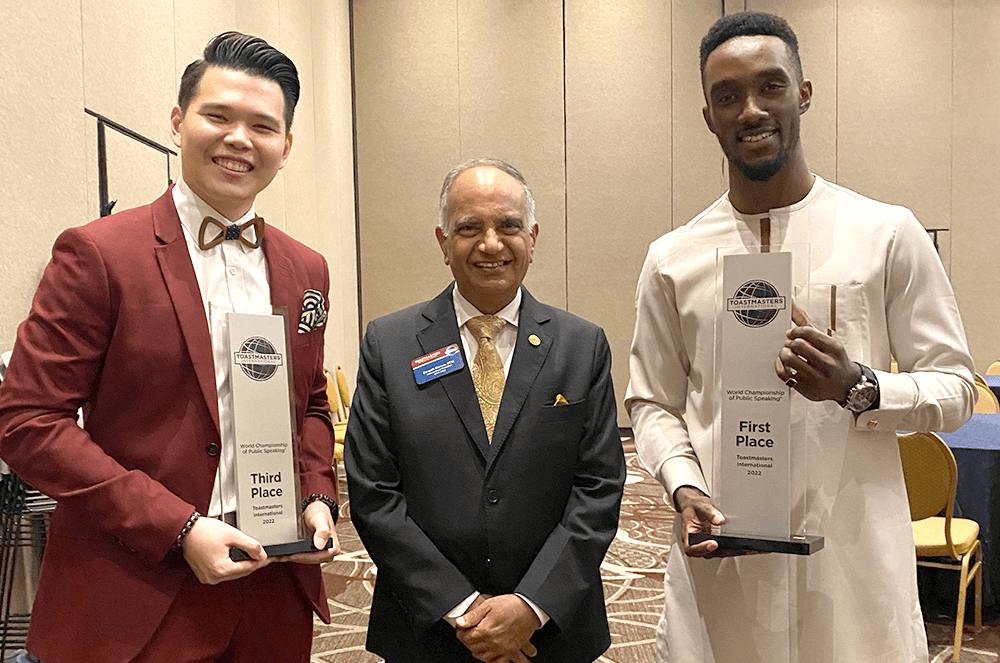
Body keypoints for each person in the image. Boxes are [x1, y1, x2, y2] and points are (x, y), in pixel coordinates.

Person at [625, 11, 976, 663]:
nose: (751, 109)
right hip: (722, 566)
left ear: (804, 93)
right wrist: (683, 484)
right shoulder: (673, 259)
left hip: (849, 569)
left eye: (771, 86)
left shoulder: (885, 235)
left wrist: (861, 386)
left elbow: (956, 389)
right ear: (708, 116)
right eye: (727, 96)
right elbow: (651, 402)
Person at [0, 32, 340, 663]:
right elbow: (27, 421)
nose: (240, 139)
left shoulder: (307, 269)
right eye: (218, 116)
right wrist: (177, 527)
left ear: (286, 148)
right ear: (180, 122)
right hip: (133, 597)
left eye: (263, 126)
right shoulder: (99, 254)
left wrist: (317, 494)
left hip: (270, 598)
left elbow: (311, 402)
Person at [345, 158, 626, 663]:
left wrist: (530, 606)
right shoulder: (388, 344)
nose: (491, 243)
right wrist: (462, 607)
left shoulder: (582, 346)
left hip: (551, 630)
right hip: (428, 628)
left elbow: (599, 486)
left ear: (533, 238)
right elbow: (373, 492)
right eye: (469, 227)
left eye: (509, 226)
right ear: (443, 242)